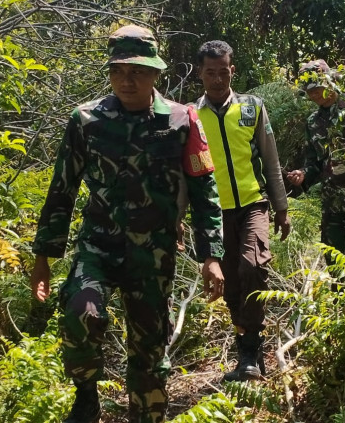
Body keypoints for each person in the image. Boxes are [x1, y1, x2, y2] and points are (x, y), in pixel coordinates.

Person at [30, 25, 225, 423]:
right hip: (98, 248)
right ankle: (86, 398)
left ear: (155, 73)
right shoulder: (87, 120)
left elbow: (204, 190)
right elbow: (62, 188)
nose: (126, 80)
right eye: (118, 71)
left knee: (149, 355)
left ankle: (147, 414)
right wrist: (44, 256)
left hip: (152, 256)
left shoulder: (182, 120)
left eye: (137, 71)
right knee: (81, 314)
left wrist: (212, 256)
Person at [193, 40, 291, 382]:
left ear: (232, 71)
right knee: (231, 284)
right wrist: (178, 217)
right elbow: (185, 173)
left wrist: (282, 207)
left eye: (224, 72)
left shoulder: (252, 107)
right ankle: (246, 351)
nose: (218, 80)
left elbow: (271, 160)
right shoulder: (192, 116)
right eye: (210, 73)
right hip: (215, 213)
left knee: (252, 268)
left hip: (253, 205)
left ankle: (252, 347)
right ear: (200, 73)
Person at [286, 59, 345, 254]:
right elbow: (313, 162)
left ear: (329, 81)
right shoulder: (313, 122)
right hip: (331, 202)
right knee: (333, 258)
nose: (314, 94)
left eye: (317, 88)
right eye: (309, 91)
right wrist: (303, 174)